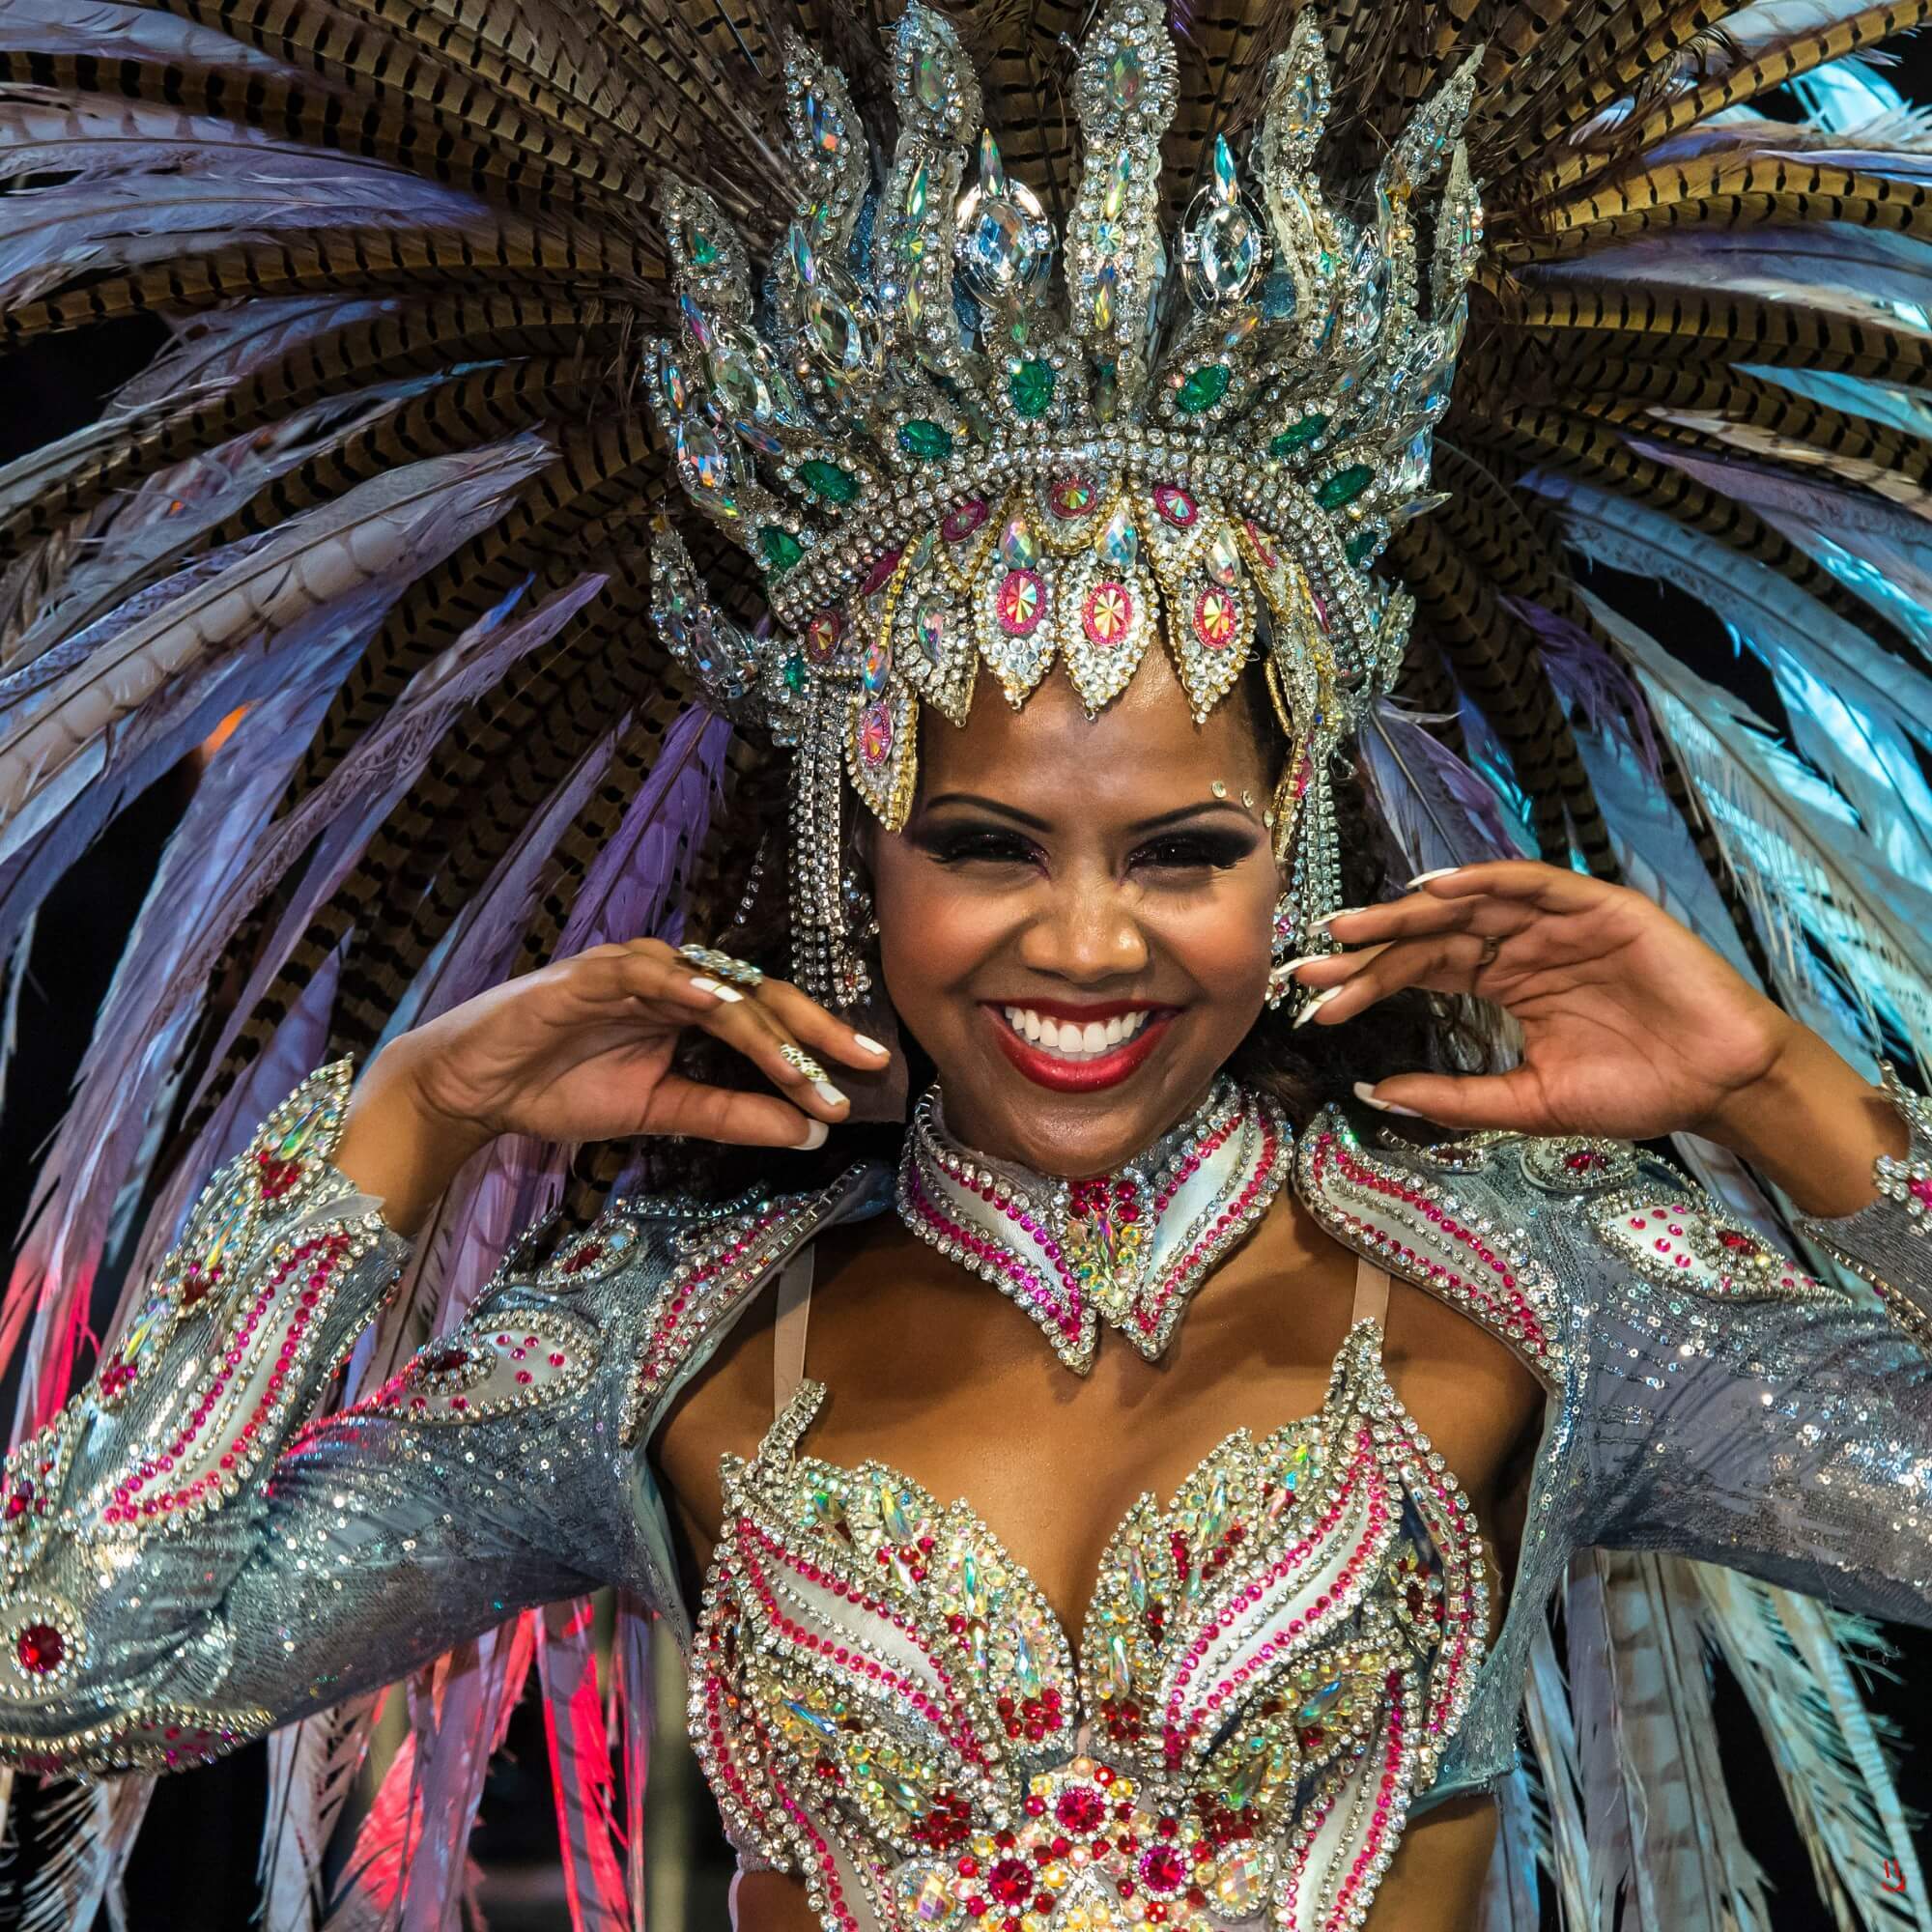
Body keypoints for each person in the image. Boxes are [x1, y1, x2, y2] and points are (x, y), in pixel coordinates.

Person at [3, 2, 1931, 1929]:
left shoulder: (1546, 1297)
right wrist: (414, 1114)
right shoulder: (659, 1346)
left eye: (1183, 854)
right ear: (855, 856)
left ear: (1301, 855)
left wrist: (1781, 1088)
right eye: (986, 846)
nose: (1085, 943)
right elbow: (68, 1661)